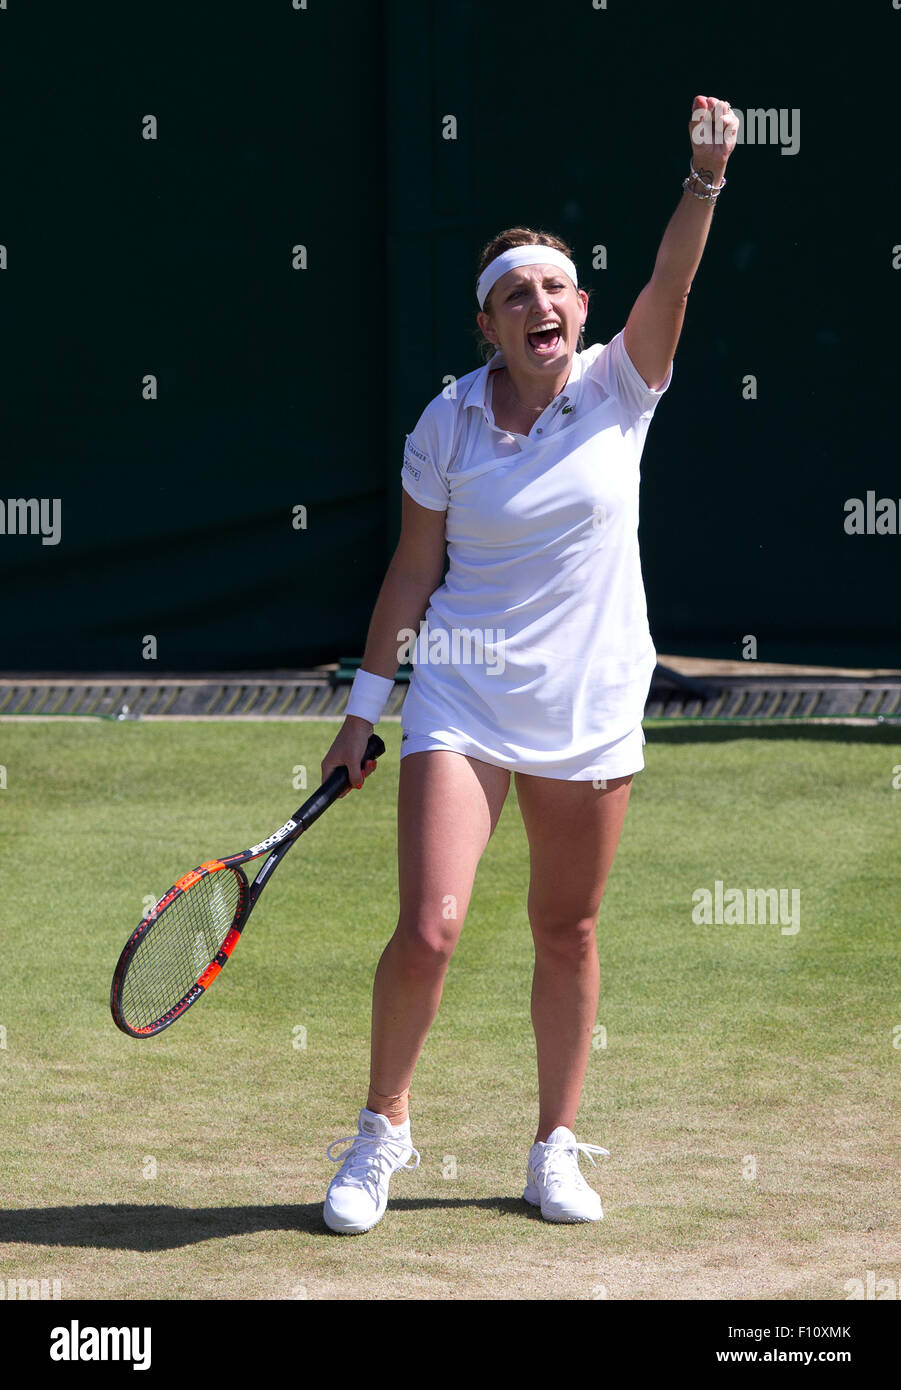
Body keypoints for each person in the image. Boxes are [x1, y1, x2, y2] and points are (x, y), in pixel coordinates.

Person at [319, 96, 738, 1234]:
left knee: (568, 928)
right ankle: (381, 1130)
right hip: (461, 690)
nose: (538, 304)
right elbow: (411, 575)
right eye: (516, 294)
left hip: (592, 699)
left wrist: (703, 179)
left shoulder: (620, 386)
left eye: (554, 287)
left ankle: (553, 1144)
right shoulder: (443, 424)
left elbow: (675, 283)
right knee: (431, 925)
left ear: (581, 310)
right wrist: (365, 711)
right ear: (488, 325)